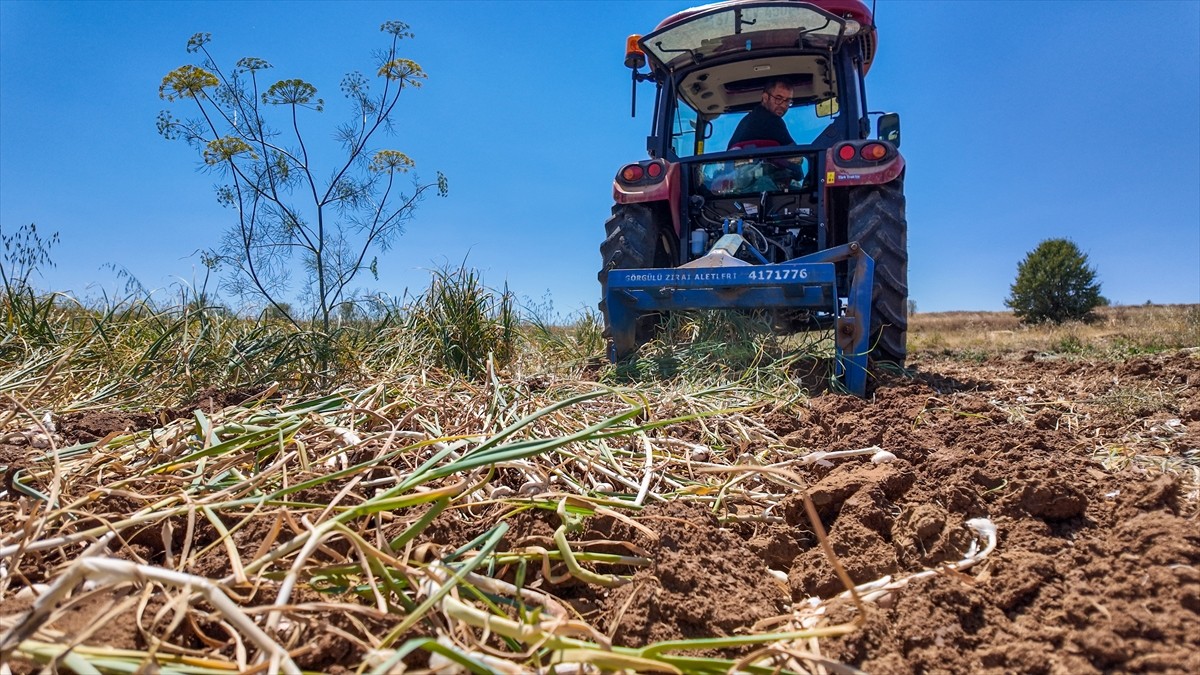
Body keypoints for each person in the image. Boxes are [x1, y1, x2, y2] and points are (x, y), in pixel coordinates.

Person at [728, 80, 795, 149]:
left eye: (788, 101)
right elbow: (794, 153)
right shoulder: (773, 121)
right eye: (778, 98)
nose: (783, 105)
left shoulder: (745, 121)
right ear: (765, 98)